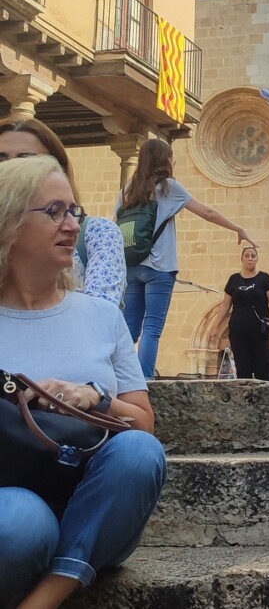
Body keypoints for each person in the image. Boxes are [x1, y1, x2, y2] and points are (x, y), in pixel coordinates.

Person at [0, 156, 166, 608]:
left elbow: (144, 426)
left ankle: (48, 594)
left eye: (75, 211)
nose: (73, 225)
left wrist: (94, 397)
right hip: (10, 502)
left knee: (139, 452)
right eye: (54, 212)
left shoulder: (101, 316)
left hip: (100, 502)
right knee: (20, 521)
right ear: (10, 224)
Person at [118, 139, 258, 379]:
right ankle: (145, 379)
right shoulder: (168, 187)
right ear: (164, 160)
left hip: (132, 265)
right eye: (171, 157)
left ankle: (119, 375)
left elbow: (116, 222)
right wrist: (238, 228)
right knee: (152, 327)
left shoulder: (128, 189)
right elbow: (208, 212)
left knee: (129, 327)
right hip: (159, 267)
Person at [0, 117, 126, 307]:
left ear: (58, 169)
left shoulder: (96, 233)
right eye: (1, 160)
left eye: (27, 159)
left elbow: (100, 315)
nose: (11, 169)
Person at [211, 247, 269, 381]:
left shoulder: (264, 278)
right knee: (242, 368)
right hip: (238, 329)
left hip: (260, 330)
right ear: (242, 259)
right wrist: (215, 326)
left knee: (262, 367)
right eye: (247, 256)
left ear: (257, 259)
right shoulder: (234, 279)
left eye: (253, 256)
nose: (250, 259)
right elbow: (225, 305)